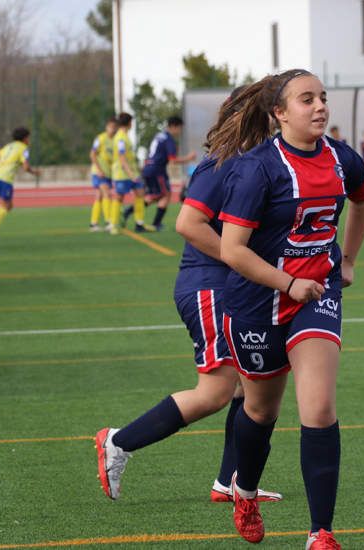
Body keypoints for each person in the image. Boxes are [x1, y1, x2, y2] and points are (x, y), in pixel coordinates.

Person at [95, 88, 282, 507]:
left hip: (228, 286)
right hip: (207, 286)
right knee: (217, 392)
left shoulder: (253, 161)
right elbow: (187, 223)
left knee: (245, 388)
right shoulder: (223, 162)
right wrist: (240, 259)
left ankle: (229, 483)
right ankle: (118, 441)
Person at [215, 69, 364, 549]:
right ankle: (243, 491)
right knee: (260, 411)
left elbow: (363, 203)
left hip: (317, 297)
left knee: (319, 407)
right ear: (279, 113)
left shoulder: (344, 159)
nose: (320, 106)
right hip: (256, 303)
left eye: (323, 97)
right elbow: (233, 250)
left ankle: (320, 534)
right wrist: (287, 282)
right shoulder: (257, 168)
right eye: (307, 99)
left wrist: (345, 260)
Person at [124, 116, 197, 232]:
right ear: (174, 126)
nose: (179, 132)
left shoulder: (159, 136)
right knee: (165, 194)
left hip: (149, 167)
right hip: (157, 170)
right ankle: (155, 223)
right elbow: (173, 160)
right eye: (179, 129)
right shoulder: (169, 139)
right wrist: (189, 158)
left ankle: (130, 212)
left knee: (157, 195)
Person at [0, 127, 40, 240]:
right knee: (7, 206)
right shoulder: (23, 148)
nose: (29, 140)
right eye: (28, 138)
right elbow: (25, 167)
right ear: (25, 138)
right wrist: (34, 172)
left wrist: (3, 165)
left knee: (8, 205)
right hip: (5, 178)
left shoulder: (8, 146)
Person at [108, 113, 146, 234]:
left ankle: (139, 223)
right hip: (122, 173)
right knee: (119, 197)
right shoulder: (120, 137)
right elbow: (122, 157)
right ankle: (113, 225)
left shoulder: (124, 136)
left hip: (132, 172)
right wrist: (131, 174)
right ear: (129, 123)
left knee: (140, 193)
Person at [88, 117, 117, 232]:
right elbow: (92, 154)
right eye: (111, 127)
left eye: (115, 128)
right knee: (107, 194)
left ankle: (93, 223)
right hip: (99, 172)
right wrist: (99, 170)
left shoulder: (114, 140)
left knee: (99, 196)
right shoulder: (100, 138)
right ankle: (108, 220)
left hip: (108, 173)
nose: (113, 130)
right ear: (107, 127)